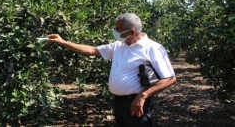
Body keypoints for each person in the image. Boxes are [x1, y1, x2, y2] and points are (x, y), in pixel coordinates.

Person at [47, 13, 176, 127]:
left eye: (118, 29)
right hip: (119, 102)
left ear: (131, 32)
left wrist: (143, 96)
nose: (115, 31)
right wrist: (62, 42)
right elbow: (93, 50)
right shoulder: (118, 45)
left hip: (136, 103)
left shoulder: (152, 48)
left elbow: (169, 78)